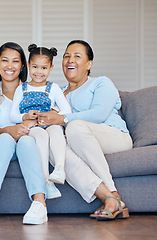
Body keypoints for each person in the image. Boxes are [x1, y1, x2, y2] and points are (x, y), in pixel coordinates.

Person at [36, 40, 133, 220]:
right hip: (77, 141)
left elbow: (99, 114)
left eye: (77, 56)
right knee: (53, 145)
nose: (70, 60)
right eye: (67, 56)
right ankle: (109, 198)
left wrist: (63, 119)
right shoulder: (58, 92)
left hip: (113, 135)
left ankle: (113, 192)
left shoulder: (101, 83)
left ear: (89, 64)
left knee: (74, 127)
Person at [0, 42, 47, 225]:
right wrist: (10, 130)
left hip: (28, 144)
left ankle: (39, 204)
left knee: (25, 141)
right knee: (5, 138)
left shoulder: (33, 90)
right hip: (0, 146)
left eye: (15, 61)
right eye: (5, 60)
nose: (10, 66)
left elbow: (46, 117)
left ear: (23, 65)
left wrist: (26, 127)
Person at [10, 44, 72, 199]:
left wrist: (53, 113)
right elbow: (13, 115)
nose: (39, 72)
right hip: (32, 127)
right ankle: (46, 180)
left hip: (48, 123)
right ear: (29, 66)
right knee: (42, 137)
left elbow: (67, 111)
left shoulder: (53, 88)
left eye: (44, 68)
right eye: (35, 67)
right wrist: (25, 116)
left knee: (57, 130)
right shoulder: (21, 88)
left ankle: (59, 168)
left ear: (51, 68)